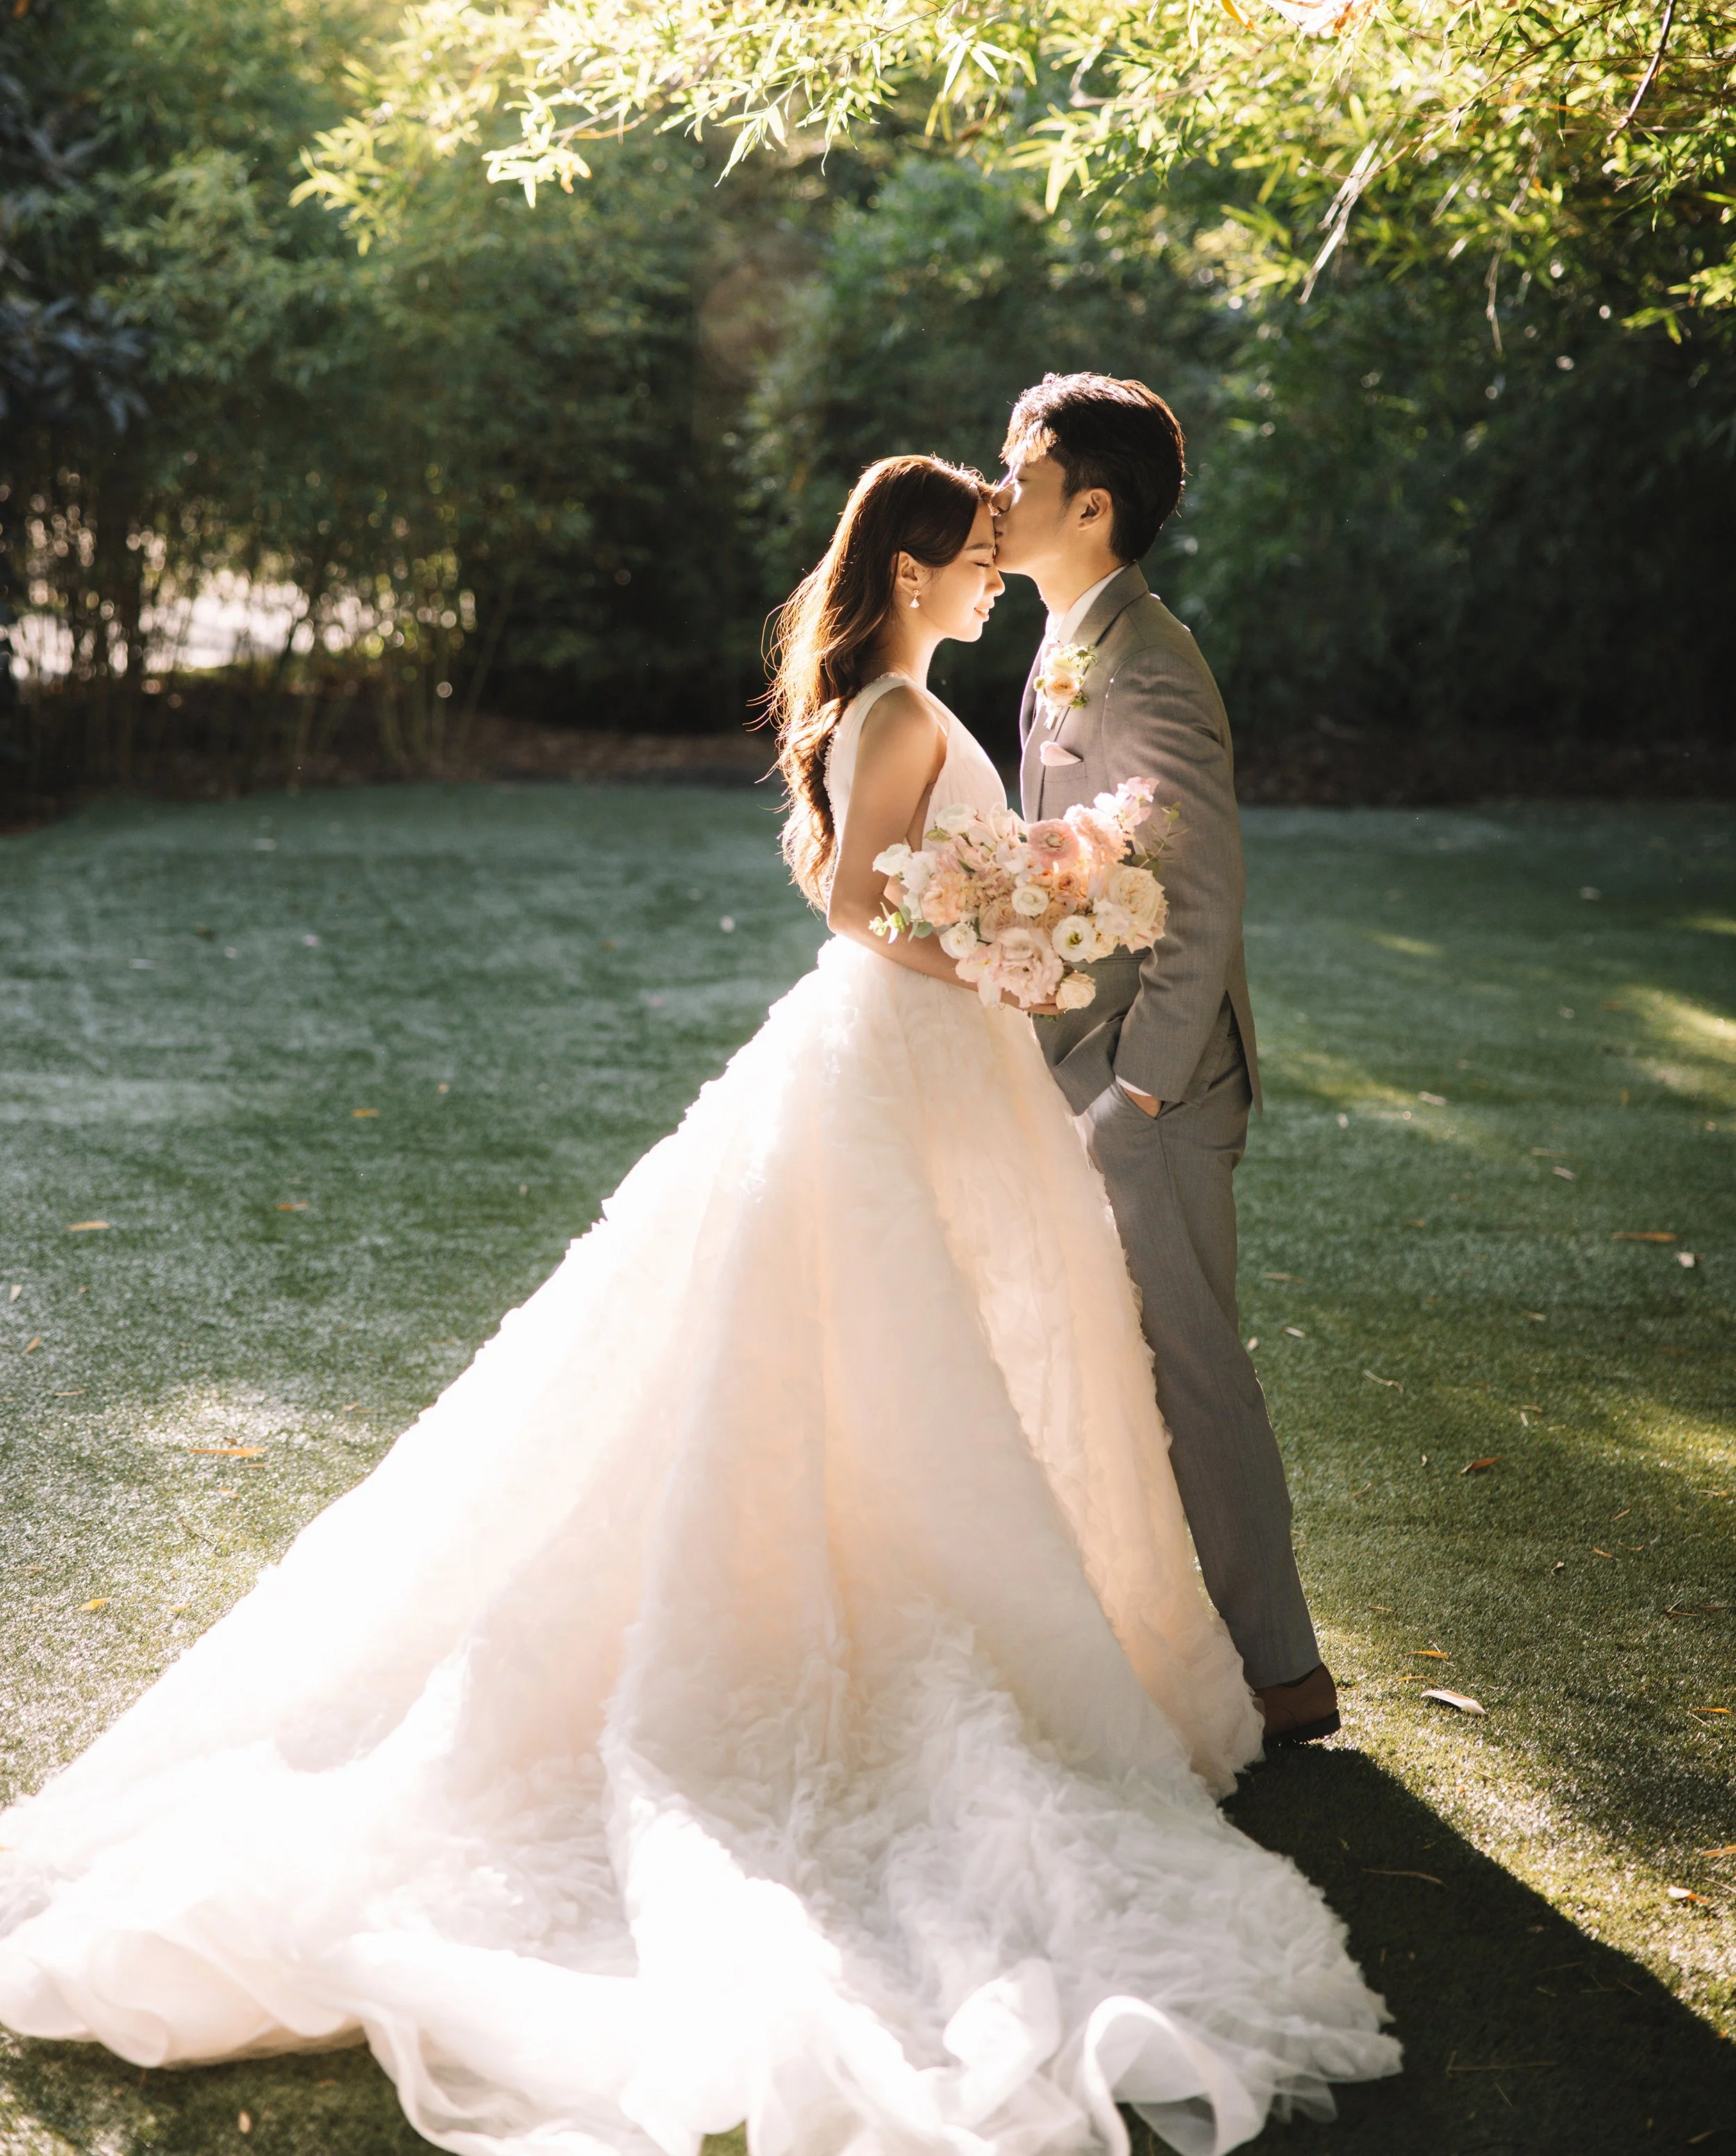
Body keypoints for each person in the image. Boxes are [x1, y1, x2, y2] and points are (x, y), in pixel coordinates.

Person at [0, 456, 1395, 2156]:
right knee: (866, 1348)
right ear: (902, 564)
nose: (987, 576)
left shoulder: (911, 694)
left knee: (962, 1341)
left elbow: (911, 885)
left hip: (939, 1071)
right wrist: (1001, 949)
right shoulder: (890, 710)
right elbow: (851, 898)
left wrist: (1022, 910)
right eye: (965, 555)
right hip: (891, 1062)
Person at [992, 374, 1337, 1749]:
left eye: (1016, 475)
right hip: (1080, 1058)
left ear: (1089, 505)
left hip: (1157, 1084)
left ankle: (1282, 1671)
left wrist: (1137, 1088)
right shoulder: (1067, 632)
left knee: (1191, 1365)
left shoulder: (1144, 659)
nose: (991, 493)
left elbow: (1199, 895)